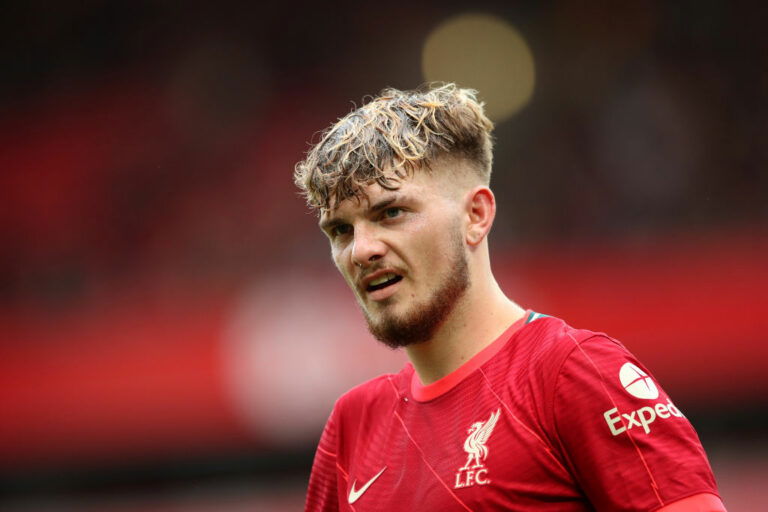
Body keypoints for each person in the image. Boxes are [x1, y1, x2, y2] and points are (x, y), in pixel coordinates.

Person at [294, 84, 725, 511]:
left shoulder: (574, 374)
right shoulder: (351, 428)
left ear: (476, 216)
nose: (361, 249)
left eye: (391, 213)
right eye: (341, 231)